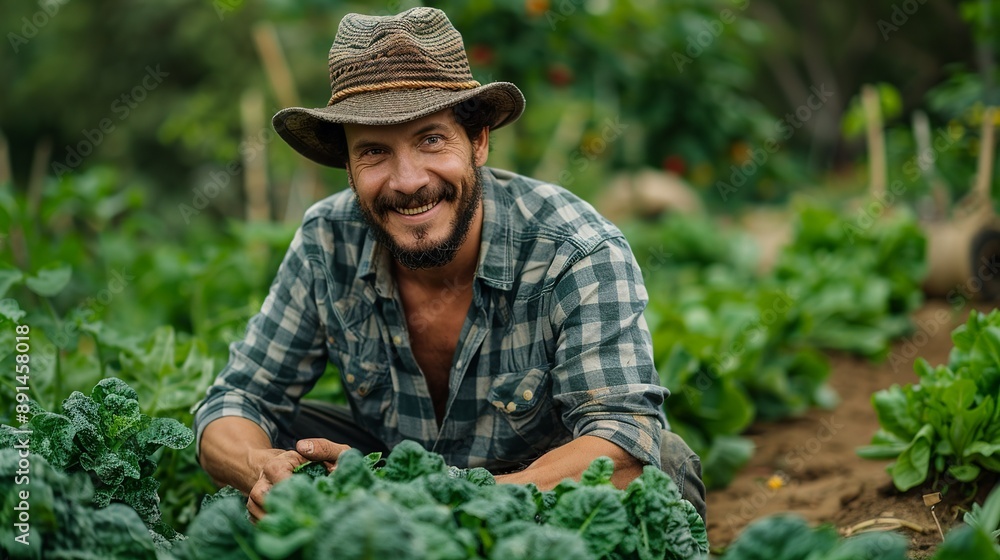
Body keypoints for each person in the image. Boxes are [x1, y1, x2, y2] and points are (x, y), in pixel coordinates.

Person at [192, 6, 706, 522]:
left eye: (431, 139)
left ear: (477, 141)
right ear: (348, 168)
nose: (408, 180)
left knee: (659, 458)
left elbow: (620, 440)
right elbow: (237, 398)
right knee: (284, 444)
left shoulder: (574, 249)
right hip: (391, 475)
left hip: (532, 501)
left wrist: (436, 501)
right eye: (373, 151)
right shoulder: (328, 241)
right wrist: (263, 469)